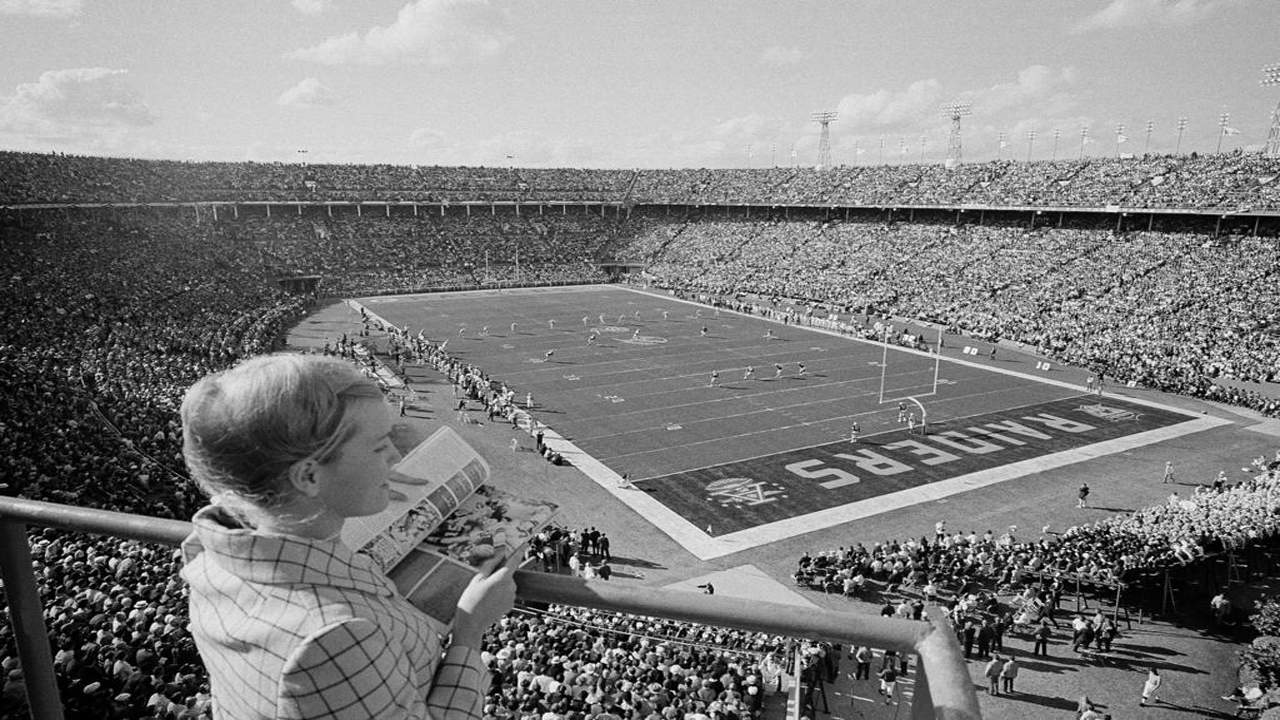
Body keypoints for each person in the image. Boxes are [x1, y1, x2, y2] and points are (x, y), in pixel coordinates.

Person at [179, 354, 515, 719]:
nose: (395, 455)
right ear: (308, 476)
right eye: (378, 445)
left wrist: (352, 487)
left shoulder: (210, 554)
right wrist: (470, 630)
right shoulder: (333, 637)